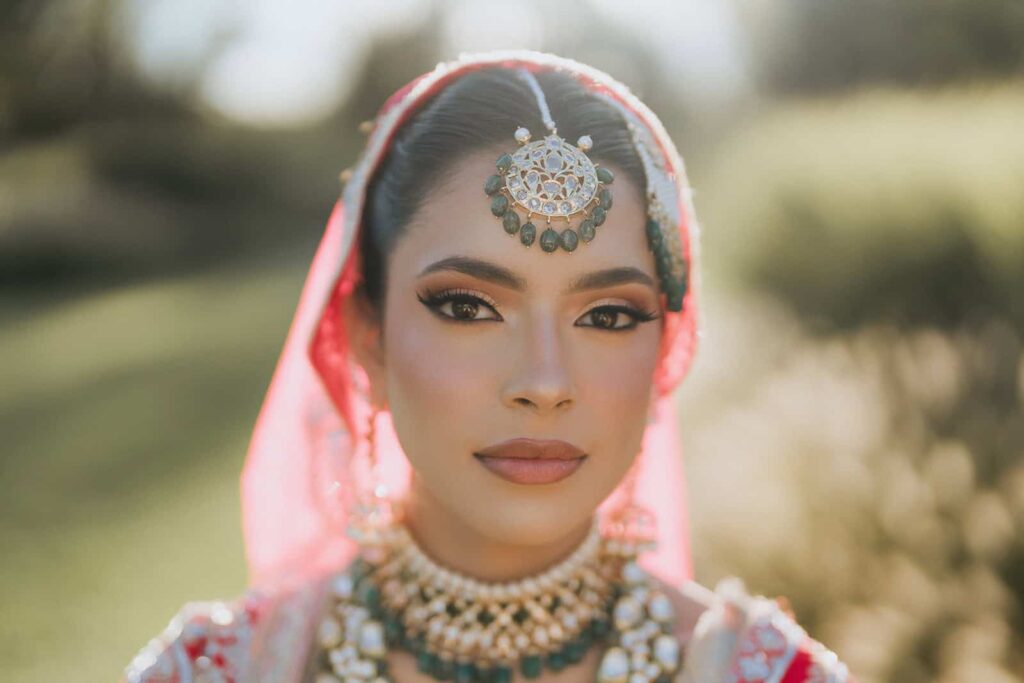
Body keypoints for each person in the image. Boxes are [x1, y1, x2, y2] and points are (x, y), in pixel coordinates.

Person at [122, 50, 853, 683]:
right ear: (364, 336)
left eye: (607, 316)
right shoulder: (216, 668)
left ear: (665, 346)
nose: (544, 382)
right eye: (469, 307)